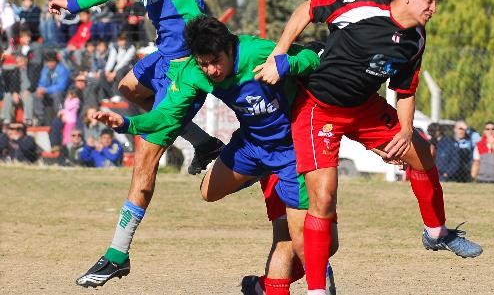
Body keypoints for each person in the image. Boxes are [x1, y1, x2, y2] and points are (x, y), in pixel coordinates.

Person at [254, 0, 483, 294]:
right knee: (324, 198)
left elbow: (404, 90)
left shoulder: (416, 38)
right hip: (319, 109)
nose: (433, 8)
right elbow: (309, 7)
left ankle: (436, 232)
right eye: (429, 0)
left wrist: (405, 132)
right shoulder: (362, 10)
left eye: (435, 2)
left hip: (363, 108)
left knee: (421, 152)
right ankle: (316, 290)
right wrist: (279, 53)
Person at [82, 17, 338, 294]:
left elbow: (312, 57)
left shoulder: (256, 51)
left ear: (230, 47)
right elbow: (168, 115)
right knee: (208, 191)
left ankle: (317, 272)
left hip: (291, 151)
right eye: (204, 63)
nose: (212, 70)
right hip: (251, 145)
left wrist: (286, 64)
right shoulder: (194, 72)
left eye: (216, 61)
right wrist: (128, 124)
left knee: (301, 240)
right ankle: (261, 177)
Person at [48, 0, 222, 286]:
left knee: (143, 163)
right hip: (165, 55)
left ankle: (116, 254)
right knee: (128, 88)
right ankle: (202, 141)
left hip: (185, 64)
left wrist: (74, 2)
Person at [33, 51, 70, 126]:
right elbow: (42, 82)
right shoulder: (45, 69)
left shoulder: (62, 69)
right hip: (48, 92)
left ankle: (60, 114)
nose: (50, 64)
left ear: (56, 62)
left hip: (61, 92)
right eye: (48, 62)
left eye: (52, 62)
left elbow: (61, 86)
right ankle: (40, 118)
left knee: (57, 94)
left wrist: (46, 90)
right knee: (36, 95)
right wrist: (40, 89)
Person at [98, 32, 136, 102]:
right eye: (119, 40)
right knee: (102, 74)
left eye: (123, 40)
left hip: (128, 67)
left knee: (119, 73)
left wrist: (114, 72)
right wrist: (107, 71)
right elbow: (111, 59)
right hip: (117, 67)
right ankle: (107, 95)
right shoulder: (114, 47)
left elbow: (125, 61)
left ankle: (119, 95)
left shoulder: (131, 48)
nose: (120, 42)